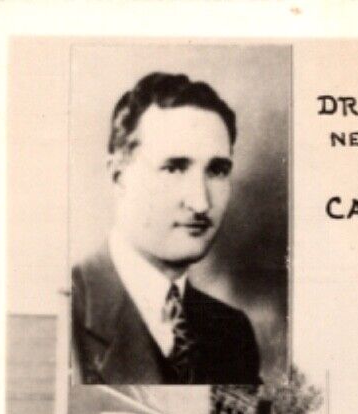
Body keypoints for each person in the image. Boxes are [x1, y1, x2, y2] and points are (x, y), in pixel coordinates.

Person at [71, 72, 262, 385]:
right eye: (174, 168)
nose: (201, 203)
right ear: (119, 175)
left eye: (217, 170)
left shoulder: (232, 333)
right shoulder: (66, 311)